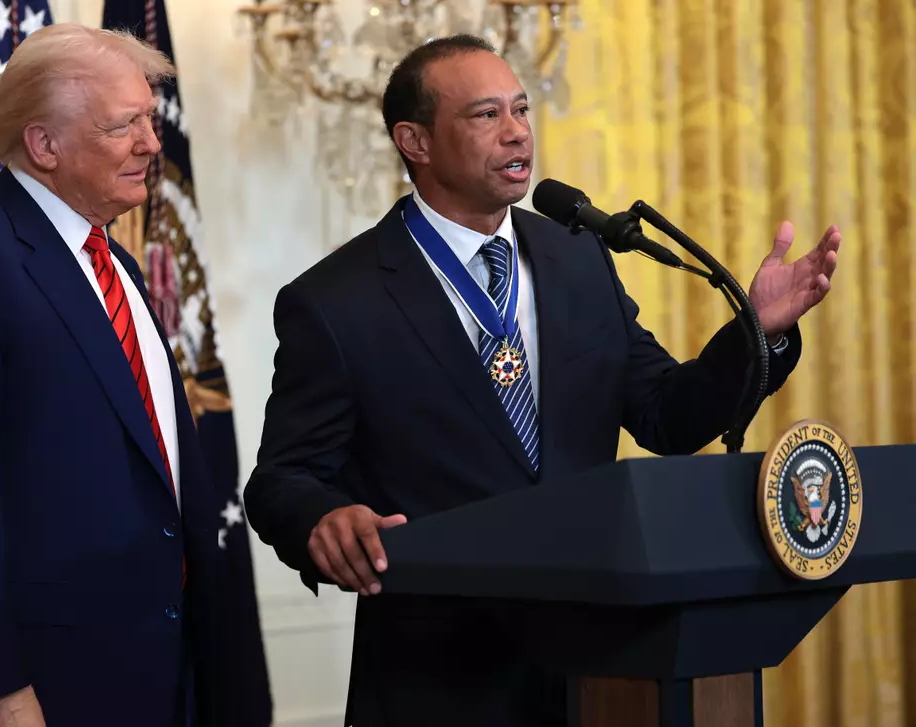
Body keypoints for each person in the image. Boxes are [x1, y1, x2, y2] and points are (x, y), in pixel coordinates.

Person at [244, 34, 840, 727]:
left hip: (601, 667)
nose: (517, 131)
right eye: (486, 114)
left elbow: (667, 414)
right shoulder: (336, 300)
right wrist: (321, 517)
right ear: (416, 141)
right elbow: (282, 478)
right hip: (436, 682)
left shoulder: (578, 256)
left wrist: (757, 331)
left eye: (521, 109)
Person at [0, 23, 222, 727]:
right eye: (124, 125)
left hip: (153, 663)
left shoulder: (114, 263)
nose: (152, 144)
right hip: (41, 681)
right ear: (44, 145)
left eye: (149, 120)